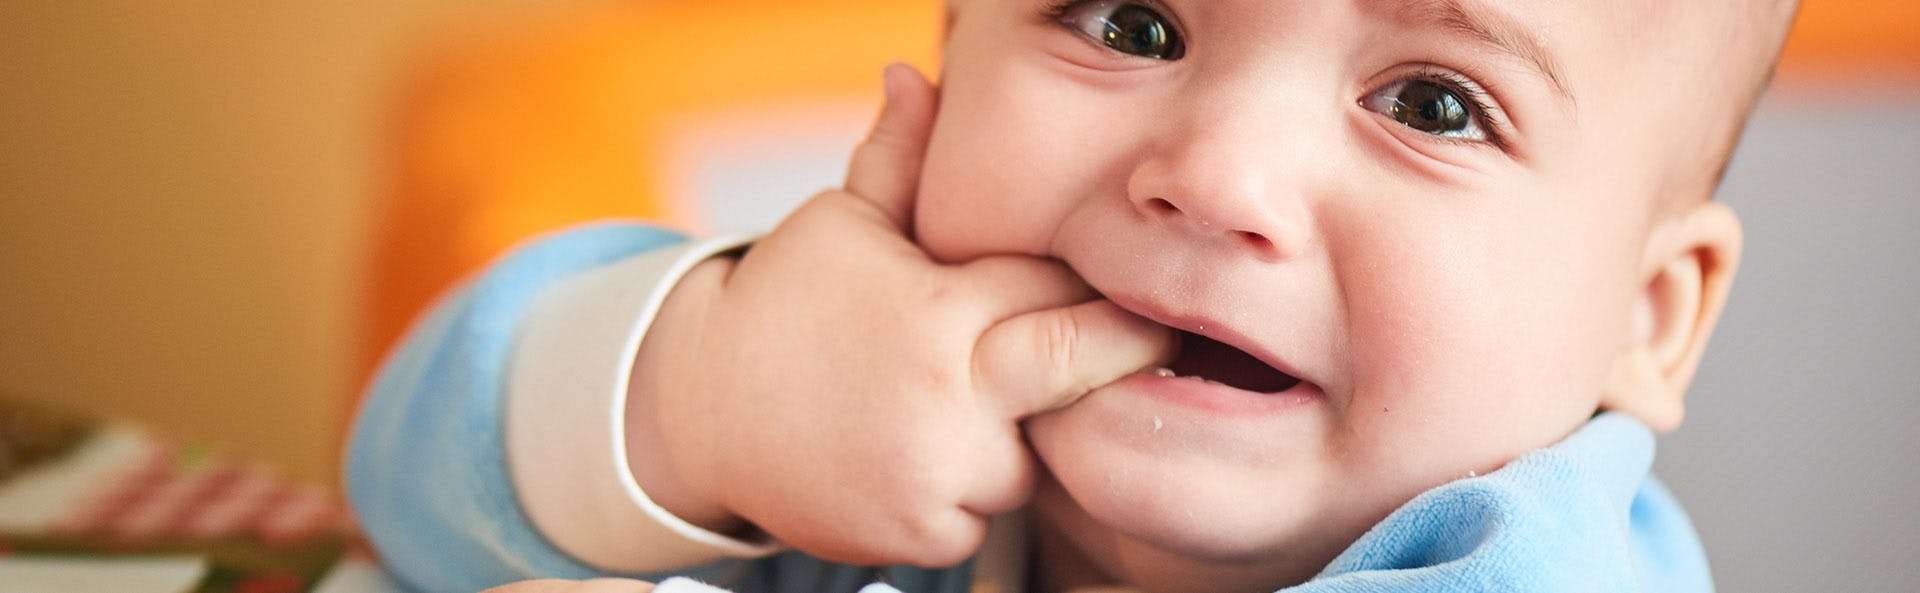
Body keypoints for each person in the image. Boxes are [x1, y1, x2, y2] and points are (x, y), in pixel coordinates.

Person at [346, 1, 1800, 591]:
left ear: (1648, 315)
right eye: (1133, 21)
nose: (1217, 174)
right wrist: (701, 390)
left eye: (1431, 103)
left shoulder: (1517, 565)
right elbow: (400, 484)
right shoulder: (866, 405)